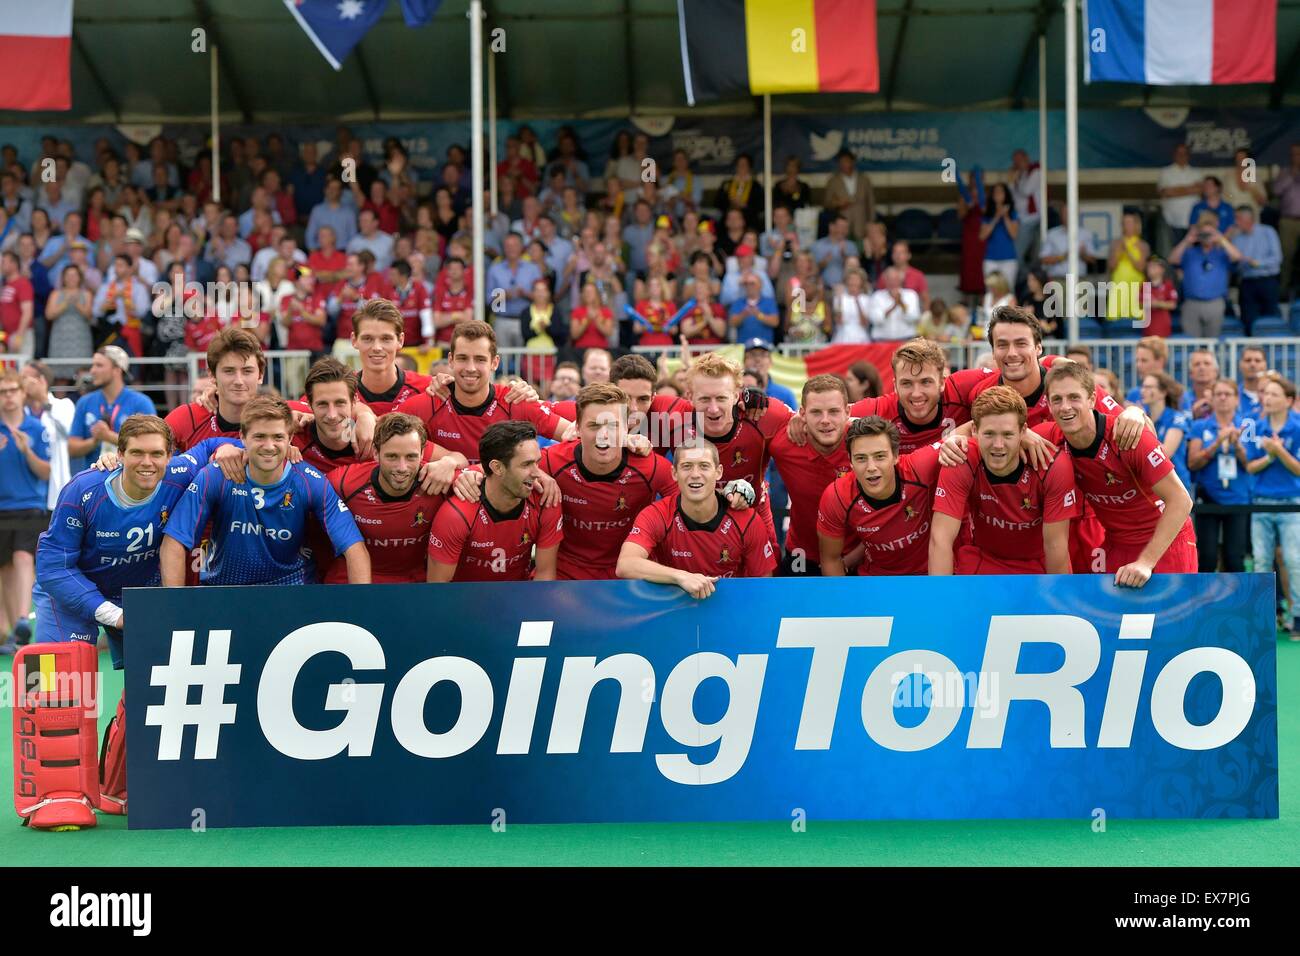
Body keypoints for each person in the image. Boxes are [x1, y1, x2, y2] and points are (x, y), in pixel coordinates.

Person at [26, 415, 229, 823]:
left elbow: (209, 448)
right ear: (118, 455)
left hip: (138, 594)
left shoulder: (179, 473)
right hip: (69, 594)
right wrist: (113, 616)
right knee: (60, 692)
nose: (147, 462)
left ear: (170, 456)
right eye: (136, 453)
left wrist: (229, 450)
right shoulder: (81, 492)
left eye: (157, 453)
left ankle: (115, 790)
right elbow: (52, 566)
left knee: (151, 688)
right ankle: (55, 797)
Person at [160, 395, 370, 587]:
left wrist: (362, 612)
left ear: (289, 439)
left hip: (291, 589)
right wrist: (173, 607)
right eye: (260, 437)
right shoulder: (216, 476)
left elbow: (354, 548)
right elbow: (175, 540)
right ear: (242, 436)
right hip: (225, 592)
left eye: (277, 437)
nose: (269, 446)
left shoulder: (309, 481)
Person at [1033, 361, 1196, 586]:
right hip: (1116, 543)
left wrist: (1146, 562)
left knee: (1170, 619)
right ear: (1048, 406)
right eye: (1057, 400)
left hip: (1165, 541)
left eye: (1074, 397)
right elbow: (995, 434)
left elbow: (1181, 501)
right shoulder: (1049, 438)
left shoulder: (1127, 436)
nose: (1065, 407)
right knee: (1113, 619)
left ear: (1092, 399)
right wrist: (1022, 436)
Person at [528, 383, 676, 580]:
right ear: (578, 428)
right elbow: (501, 472)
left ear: (627, 428)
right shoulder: (552, 461)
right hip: (566, 577)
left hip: (627, 578)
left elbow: (695, 502)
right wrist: (472, 474)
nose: (603, 435)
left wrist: (730, 494)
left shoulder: (650, 466)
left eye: (613, 425)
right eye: (594, 425)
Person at [929, 386, 1076, 575]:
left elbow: (1055, 546)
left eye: (1007, 434)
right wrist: (942, 602)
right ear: (974, 430)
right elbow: (940, 539)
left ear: (1023, 431)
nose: (998, 446)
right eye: (989, 434)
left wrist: (1057, 604)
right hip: (983, 560)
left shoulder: (1052, 465)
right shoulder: (960, 458)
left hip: (1037, 564)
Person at [394, 321, 573, 463]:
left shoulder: (515, 400)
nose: (470, 368)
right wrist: (444, 460)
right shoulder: (429, 403)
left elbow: (573, 434)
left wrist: (541, 468)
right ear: (451, 360)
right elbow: (383, 437)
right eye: (463, 358)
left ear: (494, 363)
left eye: (480, 359)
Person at [618, 442, 776, 596]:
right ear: (674, 473)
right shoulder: (657, 514)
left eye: (704, 466)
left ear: (718, 472)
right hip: (672, 610)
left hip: (731, 610)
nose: (695, 474)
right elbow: (626, 564)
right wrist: (681, 577)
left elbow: (764, 584)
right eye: (686, 466)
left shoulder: (747, 519)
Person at [426, 420, 562, 582]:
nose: (537, 473)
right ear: (497, 468)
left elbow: (545, 576)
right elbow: (438, 588)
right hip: (463, 601)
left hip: (519, 597)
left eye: (537, 462)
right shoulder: (456, 515)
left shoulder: (546, 500)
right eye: (526, 464)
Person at [683, 351, 792, 548]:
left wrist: (851, 423)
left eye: (721, 398)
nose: (714, 409)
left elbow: (810, 423)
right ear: (689, 396)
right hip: (696, 526)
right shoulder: (671, 421)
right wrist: (632, 439)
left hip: (754, 518)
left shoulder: (763, 414)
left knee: (767, 579)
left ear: (736, 395)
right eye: (705, 399)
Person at [325, 413, 447, 583]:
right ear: (376, 453)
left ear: (423, 453)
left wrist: (454, 463)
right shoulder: (344, 483)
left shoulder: (439, 482)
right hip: (351, 580)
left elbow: (485, 477)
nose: (402, 467)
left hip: (413, 584)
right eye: (392, 456)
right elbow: (301, 486)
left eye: (411, 456)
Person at [817, 416, 942, 576]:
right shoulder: (837, 496)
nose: (871, 467)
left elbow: (971, 429)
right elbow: (830, 559)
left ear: (896, 456)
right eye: (861, 458)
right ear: (850, 461)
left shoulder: (919, 467)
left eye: (880, 456)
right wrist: (842, 600)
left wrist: (957, 440)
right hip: (876, 578)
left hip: (931, 574)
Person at [766, 375, 852, 576]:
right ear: (802, 414)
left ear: (848, 412)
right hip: (802, 554)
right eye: (816, 412)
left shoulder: (866, 444)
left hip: (858, 554)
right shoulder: (782, 443)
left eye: (833, 412)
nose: (825, 421)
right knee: (791, 607)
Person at [1244, 374, 1300, 639]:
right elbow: (1250, 467)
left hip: (1292, 503)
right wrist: (1270, 456)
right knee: (1262, 562)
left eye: (1275, 394)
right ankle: (1263, 617)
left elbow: (1299, 470)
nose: (1268, 398)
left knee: (1294, 561)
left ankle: (1297, 616)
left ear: (1289, 400)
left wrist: (1280, 452)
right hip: (1261, 503)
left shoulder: (1298, 426)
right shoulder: (1255, 426)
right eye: (1267, 394)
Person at [0, 370, 50, 650]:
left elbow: (46, 472)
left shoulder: (35, 427)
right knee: (5, 567)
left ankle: (22, 617)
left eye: (11, 390)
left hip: (30, 505)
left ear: (21, 393)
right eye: (2, 392)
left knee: (22, 557)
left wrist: (26, 451)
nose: (7, 397)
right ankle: (12, 631)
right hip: (1, 507)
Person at [1186, 378, 1253, 573]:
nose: (1223, 398)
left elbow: (1252, 465)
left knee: (1235, 557)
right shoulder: (1201, 426)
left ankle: (1237, 602)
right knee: (1206, 557)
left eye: (1228, 394)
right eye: (1218, 394)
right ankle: (1206, 602)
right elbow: (1192, 463)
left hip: (1238, 498)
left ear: (1236, 399)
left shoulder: (1246, 426)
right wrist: (1217, 443)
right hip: (1208, 497)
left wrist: (1237, 445)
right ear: (1212, 399)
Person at [67, 345, 156, 474]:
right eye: (93, 365)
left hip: (129, 480)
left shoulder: (141, 403)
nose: (92, 371)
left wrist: (108, 436)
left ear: (117, 370)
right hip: (93, 479)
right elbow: (72, 448)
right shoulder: (85, 402)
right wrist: (94, 441)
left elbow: (149, 443)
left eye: (99, 365)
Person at [1168, 213, 1243, 338]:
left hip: (1215, 302)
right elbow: (1172, 259)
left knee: (1212, 343)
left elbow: (1237, 257)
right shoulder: (1190, 252)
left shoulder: (1221, 253)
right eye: (1204, 233)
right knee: (1190, 343)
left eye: (1209, 234)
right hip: (1191, 303)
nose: (1206, 237)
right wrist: (1187, 240)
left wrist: (1221, 239)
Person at [21, 362, 74, 510]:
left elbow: (68, 431)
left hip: (55, 489)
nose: (22, 383)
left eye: (26, 378)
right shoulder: (17, 411)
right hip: (25, 488)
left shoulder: (63, 405)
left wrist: (43, 398)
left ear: (42, 381)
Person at [1231, 205, 1283, 335]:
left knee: (1271, 317)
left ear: (1248, 219)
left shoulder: (1268, 231)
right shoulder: (1236, 238)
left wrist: (1256, 263)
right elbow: (1236, 264)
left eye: (1238, 218)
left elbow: (1277, 258)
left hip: (1268, 281)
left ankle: (1272, 350)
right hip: (1247, 282)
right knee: (1248, 319)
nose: (1236, 222)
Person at [1140, 371, 1193, 494]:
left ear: (1163, 392)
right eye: (1143, 386)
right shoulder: (1141, 416)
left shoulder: (1176, 418)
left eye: (1148, 387)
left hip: (1177, 485)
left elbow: (1166, 453)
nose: (1143, 391)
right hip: (1152, 485)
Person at [1156, 143, 1202, 255]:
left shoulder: (1196, 173)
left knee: (1191, 252)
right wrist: (1190, 188)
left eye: (1184, 153)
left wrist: (1175, 190)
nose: (1181, 156)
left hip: (1192, 221)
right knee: (1173, 252)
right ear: (1174, 155)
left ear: (1188, 155)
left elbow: (1199, 190)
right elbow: (1165, 192)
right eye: (1179, 153)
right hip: (1171, 220)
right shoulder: (1166, 172)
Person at [1106, 211, 1149, 322]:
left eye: (1130, 223)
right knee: (1115, 319)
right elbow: (1111, 267)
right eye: (1124, 223)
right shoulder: (1116, 243)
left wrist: (1128, 253)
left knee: (1136, 319)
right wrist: (1119, 251)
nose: (1127, 226)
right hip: (1118, 284)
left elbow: (1142, 268)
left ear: (1136, 225)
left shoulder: (1142, 245)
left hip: (1136, 285)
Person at [822, 149, 874, 240]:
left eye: (846, 161)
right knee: (843, 247)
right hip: (842, 223)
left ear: (853, 162)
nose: (844, 164)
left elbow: (871, 202)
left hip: (861, 221)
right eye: (841, 162)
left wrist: (871, 222)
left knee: (861, 247)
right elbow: (827, 203)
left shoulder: (864, 179)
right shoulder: (833, 181)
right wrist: (838, 203)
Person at [979, 182, 1020, 287]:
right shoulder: (987, 215)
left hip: (1008, 259)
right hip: (991, 259)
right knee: (991, 291)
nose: (998, 194)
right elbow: (982, 236)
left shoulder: (1013, 213)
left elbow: (1014, 235)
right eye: (995, 192)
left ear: (1006, 195)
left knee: (1008, 291)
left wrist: (1005, 216)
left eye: (1001, 192)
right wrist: (996, 217)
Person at [865, 266, 921, 341]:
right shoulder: (877, 296)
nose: (892, 282)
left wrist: (901, 303)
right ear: (885, 280)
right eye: (889, 279)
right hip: (882, 341)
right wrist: (893, 307)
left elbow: (914, 317)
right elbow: (876, 320)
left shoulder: (911, 295)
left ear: (901, 280)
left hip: (906, 340)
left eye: (895, 279)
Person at [0, 250, 34, 358]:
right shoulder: (5, 285)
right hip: (8, 334)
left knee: (23, 369)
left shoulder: (22, 283)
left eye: (3, 262)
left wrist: (19, 336)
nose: (0, 265)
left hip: (20, 333)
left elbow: (27, 312)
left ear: (14, 264)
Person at [1238, 345, 1267, 419]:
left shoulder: (1276, 396)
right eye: (1248, 360)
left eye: (1257, 361)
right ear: (1240, 365)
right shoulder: (1232, 395)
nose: (1252, 364)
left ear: (1265, 365)